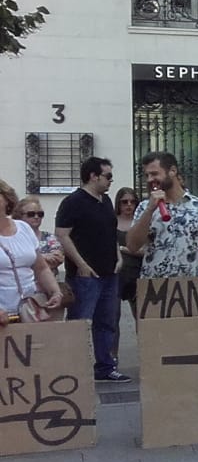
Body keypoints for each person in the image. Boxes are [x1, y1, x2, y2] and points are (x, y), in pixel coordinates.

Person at [53, 157, 126, 381]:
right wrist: (81, 264)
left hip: (109, 272)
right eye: (108, 176)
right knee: (81, 321)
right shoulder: (73, 202)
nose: (110, 181)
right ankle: (75, 367)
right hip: (86, 276)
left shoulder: (104, 201)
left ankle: (104, 367)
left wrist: (118, 256)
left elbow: (111, 231)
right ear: (93, 176)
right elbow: (62, 234)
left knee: (107, 322)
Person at [126, 152, 198, 278]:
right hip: (153, 290)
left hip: (186, 290)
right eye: (146, 175)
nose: (149, 180)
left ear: (172, 171)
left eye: (154, 174)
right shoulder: (144, 207)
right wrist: (149, 210)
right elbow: (132, 246)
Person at [0, 179, 64, 328]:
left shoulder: (24, 228)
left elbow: (41, 268)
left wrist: (55, 292)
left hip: (30, 309)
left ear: (6, 199)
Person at [113, 186, 141, 305]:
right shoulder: (111, 221)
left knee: (139, 313)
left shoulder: (141, 222)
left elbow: (147, 250)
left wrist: (122, 249)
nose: (129, 205)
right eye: (124, 202)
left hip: (138, 271)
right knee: (113, 314)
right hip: (117, 273)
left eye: (132, 201)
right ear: (118, 203)